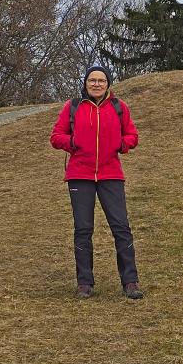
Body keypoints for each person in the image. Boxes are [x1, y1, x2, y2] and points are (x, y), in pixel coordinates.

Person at [50, 64, 144, 299]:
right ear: (85, 83)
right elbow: (56, 136)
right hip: (79, 176)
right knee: (83, 229)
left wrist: (121, 145)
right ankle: (84, 283)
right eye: (92, 80)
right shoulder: (72, 107)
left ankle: (130, 282)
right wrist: (72, 144)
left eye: (101, 80)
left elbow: (132, 135)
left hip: (110, 174)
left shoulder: (119, 107)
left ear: (108, 84)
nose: (96, 84)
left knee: (121, 228)